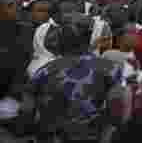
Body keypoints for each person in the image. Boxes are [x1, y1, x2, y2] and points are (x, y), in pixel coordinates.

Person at [27, 12, 131, 143]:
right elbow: (117, 112)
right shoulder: (110, 69)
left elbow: (27, 111)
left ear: (60, 39)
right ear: (89, 38)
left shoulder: (44, 71)